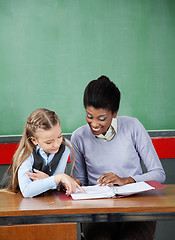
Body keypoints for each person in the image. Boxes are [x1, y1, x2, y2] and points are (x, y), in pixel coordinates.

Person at [71, 75, 166, 240]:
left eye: (102, 118)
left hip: (138, 207)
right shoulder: (78, 137)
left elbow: (159, 174)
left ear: (114, 113)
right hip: (99, 210)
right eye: (89, 115)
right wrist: (67, 182)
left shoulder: (133, 126)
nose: (94, 124)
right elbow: (81, 181)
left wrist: (126, 180)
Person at [0, 108, 83, 198]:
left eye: (59, 136)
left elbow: (57, 182)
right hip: (12, 198)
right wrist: (56, 179)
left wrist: (51, 179)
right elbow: (27, 191)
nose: (56, 144)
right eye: (49, 142)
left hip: (44, 198)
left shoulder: (65, 146)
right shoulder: (26, 153)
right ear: (34, 140)